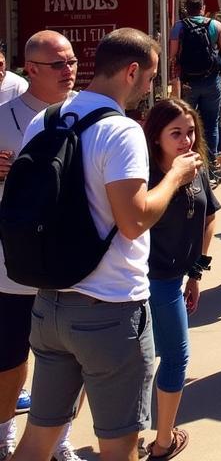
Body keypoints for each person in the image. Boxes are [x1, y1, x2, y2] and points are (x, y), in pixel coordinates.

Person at [12, 29, 201, 461]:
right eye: (150, 78)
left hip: (51, 302)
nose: (149, 88)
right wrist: (173, 178)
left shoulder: (48, 118)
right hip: (110, 309)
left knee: (39, 437)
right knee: (120, 447)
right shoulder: (121, 131)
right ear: (132, 71)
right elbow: (133, 221)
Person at [0, 33, 80, 461]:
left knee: (73, 361)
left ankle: (60, 441)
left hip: (73, 262)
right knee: (10, 360)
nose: (70, 70)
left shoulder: (86, 113)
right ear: (30, 69)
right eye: (58, 64)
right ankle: (4, 435)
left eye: (72, 61)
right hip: (12, 265)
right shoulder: (3, 117)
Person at [142, 100, 220, 460]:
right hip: (149, 280)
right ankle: (162, 442)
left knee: (150, 357)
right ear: (155, 137)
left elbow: (209, 216)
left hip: (176, 278)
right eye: (176, 133)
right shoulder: (144, 174)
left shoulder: (196, 167)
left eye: (191, 132)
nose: (187, 140)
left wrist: (197, 273)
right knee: (174, 358)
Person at [168, 0, 221, 166]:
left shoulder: (178, 27)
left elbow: (172, 56)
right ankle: (209, 164)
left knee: (186, 121)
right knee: (211, 123)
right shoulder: (216, 25)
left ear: (186, 9)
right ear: (203, 7)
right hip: (211, 80)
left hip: (188, 81)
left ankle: (189, 160)